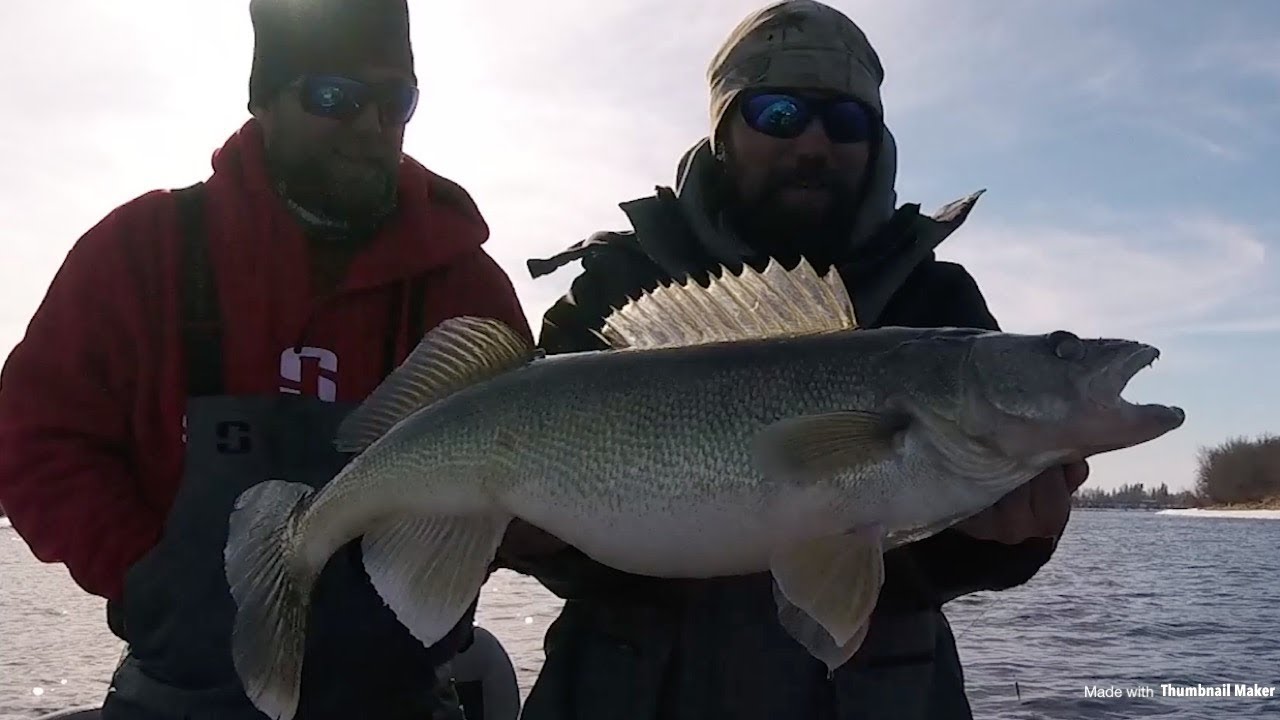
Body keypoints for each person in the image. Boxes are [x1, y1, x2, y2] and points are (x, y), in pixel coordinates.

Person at [506, 2, 1090, 719]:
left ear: (877, 144)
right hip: (628, 688)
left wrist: (1006, 538)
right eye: (778, 113)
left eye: (847, 122)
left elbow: (969, 548)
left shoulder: (936, 298)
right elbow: (507, 464)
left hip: (873, 693)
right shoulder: (617, 283)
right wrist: (530, 535)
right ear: (722, 130)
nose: (814, 143)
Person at [0, 1, 531, 718]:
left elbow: (521, 477)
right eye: (333, 97)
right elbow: (31, 435)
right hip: (177, 697)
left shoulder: (466, 290)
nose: (371, 126)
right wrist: (138, 570)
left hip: (397, 700)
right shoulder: (141, 254)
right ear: (264, 99)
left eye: (394, 99)